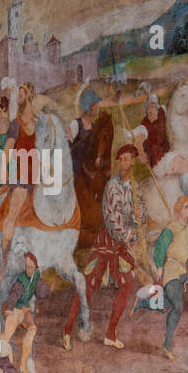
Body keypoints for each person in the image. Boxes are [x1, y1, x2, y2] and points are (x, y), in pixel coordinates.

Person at [64, 143, 145, 350]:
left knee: (127, 285)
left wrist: (138, 217)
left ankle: (110, 334)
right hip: (107, 244)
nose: (123, 162)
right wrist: (129, 234)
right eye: (121, 159)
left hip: (120, 247)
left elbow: (140, 212)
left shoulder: (135, 187)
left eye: (126, 159)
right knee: (89, 287)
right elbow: (112, 220)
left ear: (133, 162)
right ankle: (67, 329)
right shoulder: (113, 186)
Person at [135, 196, 188, 360]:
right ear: (179, 210)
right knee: (178, 307)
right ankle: (167, 346)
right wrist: (159, 266)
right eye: (186, 207)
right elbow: (160, 246)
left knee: (162, 306)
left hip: (181, 274)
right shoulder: (171, 228)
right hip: (171, 271)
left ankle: (141, 302)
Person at [0, 81, 39, 278]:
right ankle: (3, 263)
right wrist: (11, 175)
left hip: (38, 176)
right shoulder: (16, 123)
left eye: (22, 95)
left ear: (29, 97)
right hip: (21, 178)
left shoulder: (40, 123)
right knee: (12, 215)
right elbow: (7, 151)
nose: (19, 99)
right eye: (19, 95)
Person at [69, 87, 113, 248]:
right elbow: (66, 149)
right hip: (75, 173)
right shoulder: (75, 124)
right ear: (88, 106)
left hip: (89, 174)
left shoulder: (95, 128)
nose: (97, 108)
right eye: (94, 105)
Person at [1, 251, 42, 373]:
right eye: (27, 267)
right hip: (14, 308)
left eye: (31, 267)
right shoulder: (22, 279)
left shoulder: (36, 275)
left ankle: (23, 365)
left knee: (32, 328)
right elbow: (14, 293)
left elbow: (40, 290)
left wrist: (49, 289)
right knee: (6, 336)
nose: (28, 270)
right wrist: (9, 308)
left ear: (35, 266)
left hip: (24, 309)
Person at [138, 92, 170, 169]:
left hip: (166, 151)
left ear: (157, 108)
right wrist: (142, 154)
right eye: (148, 107)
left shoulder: (162, 113)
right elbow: (139, 142)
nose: (150, 110)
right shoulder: (144, 123)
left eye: (152, 107)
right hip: (154, 155)